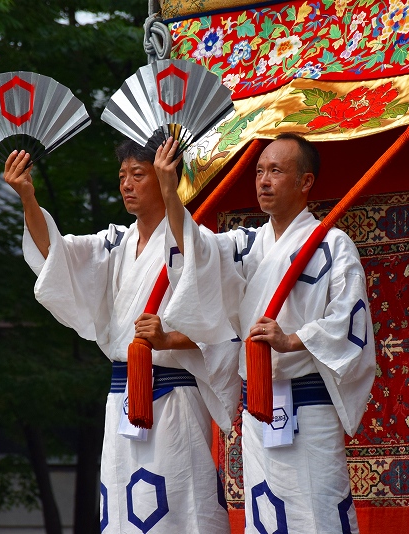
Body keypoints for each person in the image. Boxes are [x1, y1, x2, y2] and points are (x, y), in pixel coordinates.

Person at [4, 142, 237, 534]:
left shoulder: (200, 243)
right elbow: (55, 256)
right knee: (124, 507)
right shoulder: (115, 244)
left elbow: (223, 328)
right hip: (122, 396)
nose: (127, 185)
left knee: (181, 505)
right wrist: (27, 196)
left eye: (138, 175)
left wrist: (168, 339)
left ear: (165, 177)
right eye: (122, 177)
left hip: (173, 396)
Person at [154, 133, 376, 533]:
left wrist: (291, 339)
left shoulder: (332, 245)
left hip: (308, 406)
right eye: (259, 171)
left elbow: (350, 320)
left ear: (305, 182)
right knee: (266, 513)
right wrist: (171, 193)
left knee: (318, 509)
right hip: (259, 406)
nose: (263, 181)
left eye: (276, 170)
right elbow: (198, 250)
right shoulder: (248, 243)